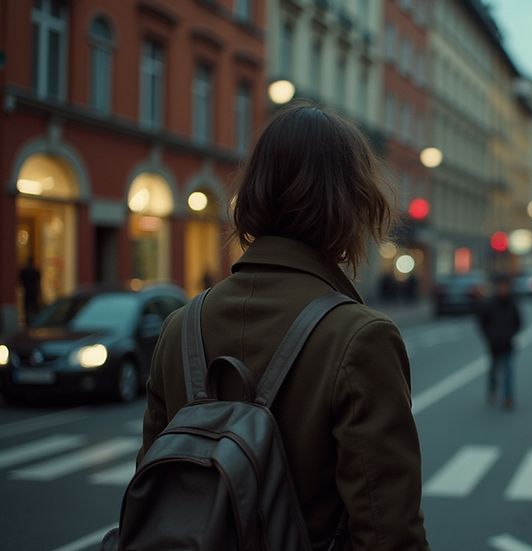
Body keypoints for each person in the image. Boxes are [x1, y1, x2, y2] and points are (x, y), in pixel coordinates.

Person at [138, 104, 430, 550]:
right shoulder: (360, 337)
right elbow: (387, 533)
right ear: (353, 204)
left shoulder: (179, 327)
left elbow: (151, 490)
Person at [479, 276, 522, 409]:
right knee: (493, 370)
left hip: (507, 344)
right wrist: (490, 336)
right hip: (494, 345)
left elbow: (519, 322)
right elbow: (482, 322)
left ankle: (507, 397)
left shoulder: (512, 303)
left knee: (508, 371)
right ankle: (492, 391)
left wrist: (510, 334)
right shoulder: (490, 304)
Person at [18, 255, 41, 325]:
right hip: (33, 291)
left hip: (27, 291)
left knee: (27, 307)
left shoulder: (24, 271)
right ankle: (34, 321)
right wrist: (39, 292)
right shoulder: (35, 271)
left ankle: (28, 321)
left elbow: (20, 281)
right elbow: (39, 283)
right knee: (34, 307)